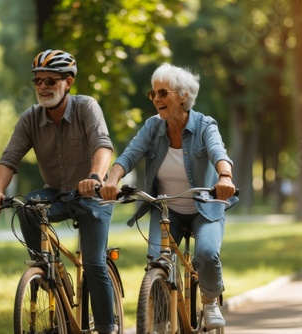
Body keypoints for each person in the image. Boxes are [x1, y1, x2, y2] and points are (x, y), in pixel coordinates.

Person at [0, 49, 116, 334]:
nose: (42, 87)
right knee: (28, 206)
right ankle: (45, 272)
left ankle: (108, 328)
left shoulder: (86, 107)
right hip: (55, 194)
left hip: (91, 196)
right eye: (37, 81)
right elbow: (9, 159)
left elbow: (103, 147)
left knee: (93, 263)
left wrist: (94, 177)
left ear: (68, 82)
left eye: (50, 81)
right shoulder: (30, 118)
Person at [100, 63, 236, 331]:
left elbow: (218, 152)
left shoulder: (205, 125)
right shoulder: (153, 127)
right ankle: (161, 321)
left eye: (163, 93)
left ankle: (209, 301)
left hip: (204, 209)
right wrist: (112, 181)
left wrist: (225, 178)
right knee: (156, 260)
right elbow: (128, 155)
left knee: (207, 254)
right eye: (153, 95)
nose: (157, 99)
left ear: (183, 96)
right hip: (165, 211)